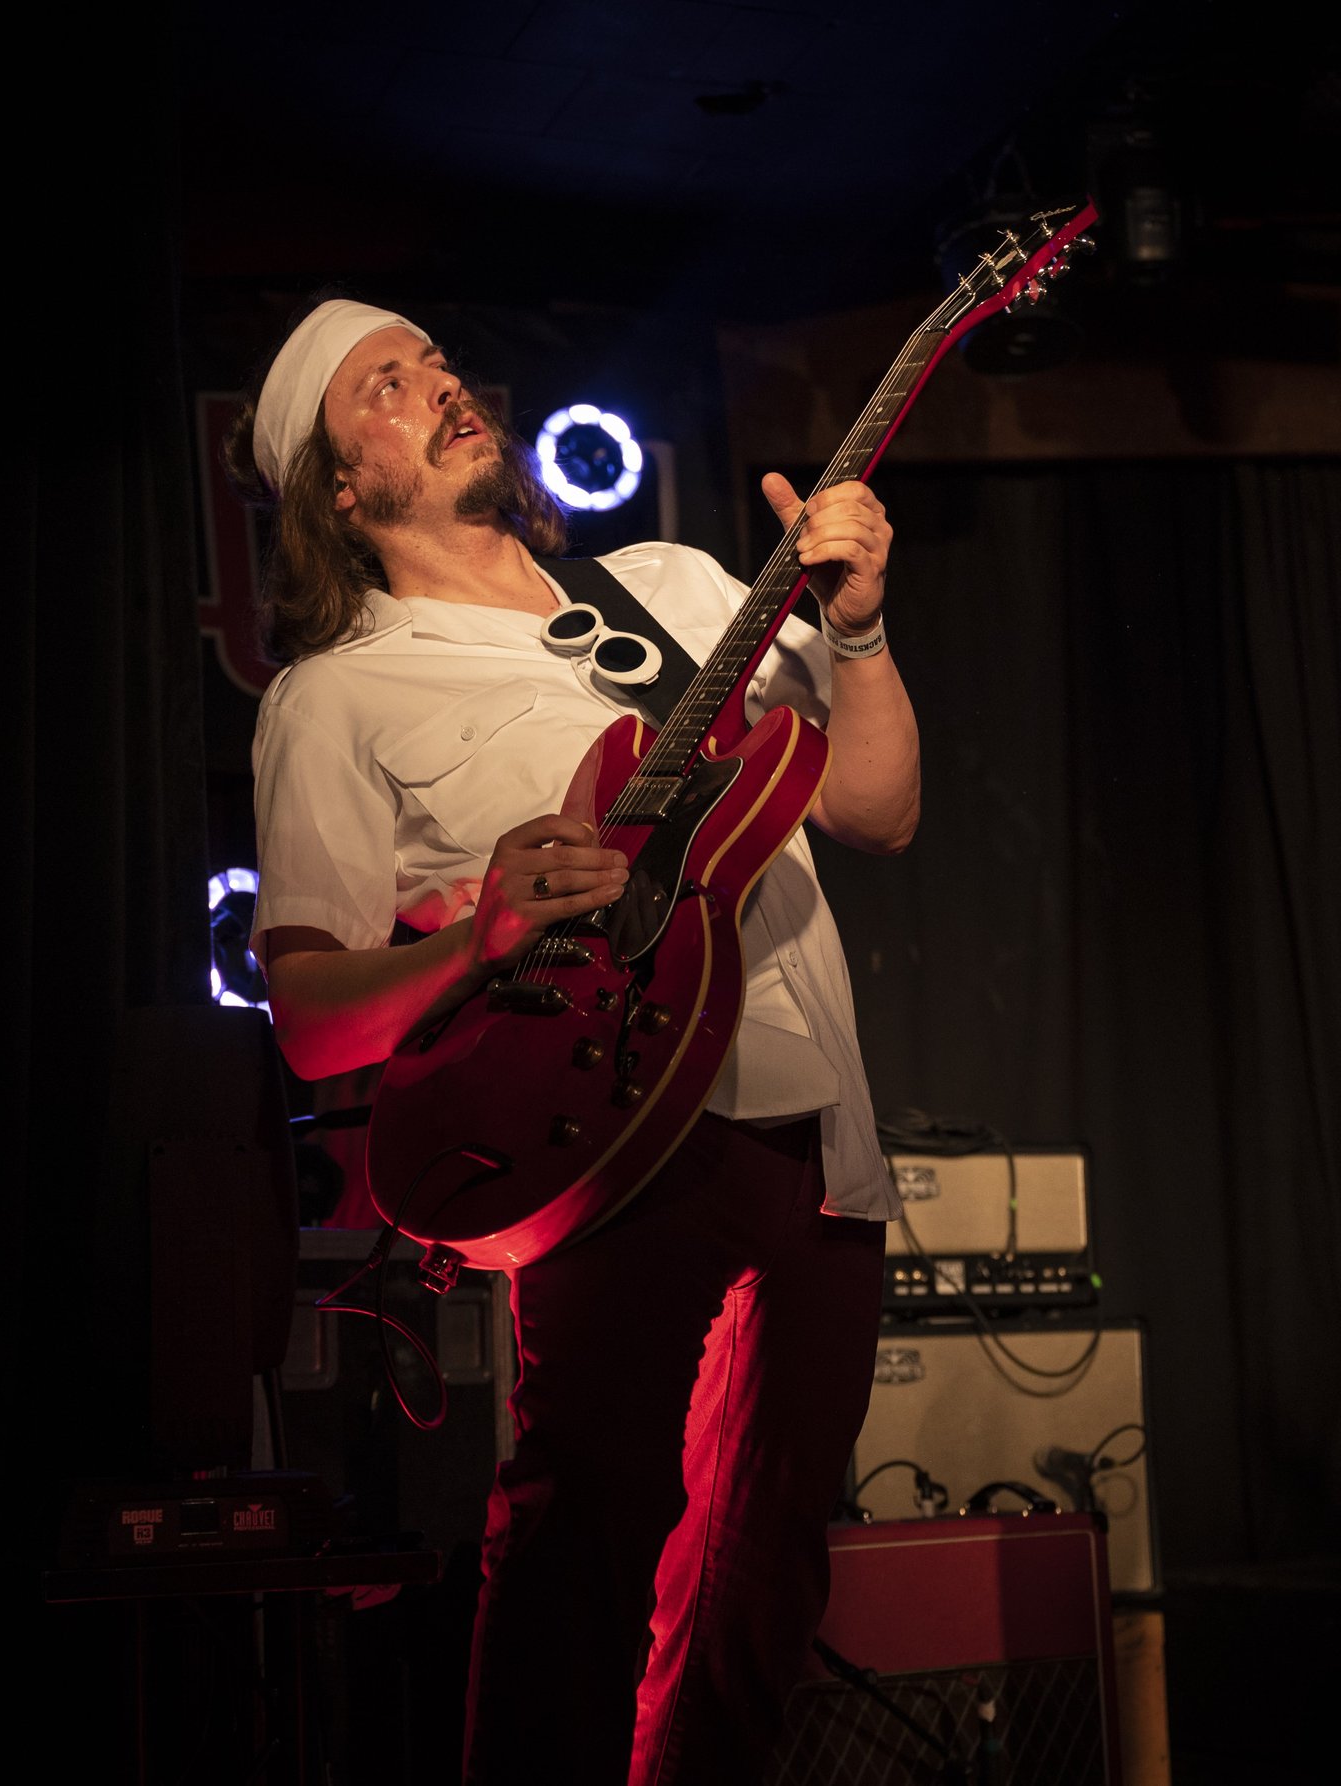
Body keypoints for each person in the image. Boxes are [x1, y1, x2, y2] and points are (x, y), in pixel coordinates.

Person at [230, 297, 920, 1784]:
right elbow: (309, 1018)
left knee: (764, 1589)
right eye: (385, 385)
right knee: (584, 1553)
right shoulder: (335, 695)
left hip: (821, 1151)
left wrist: (858, 631)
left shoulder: (672, 585)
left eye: (435, 360)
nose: (437, 384)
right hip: (613, 1149)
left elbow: (876, 808)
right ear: (338, 490)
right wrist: (472, 939)